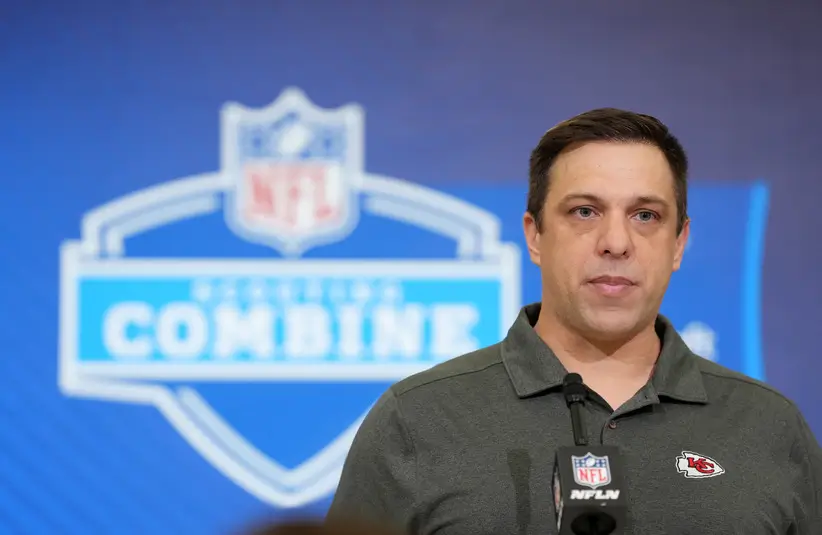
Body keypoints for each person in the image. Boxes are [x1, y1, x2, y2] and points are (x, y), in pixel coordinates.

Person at [326, 108, 822, 534]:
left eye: (645, 215)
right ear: (535, 235)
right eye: (585, 211)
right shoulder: (417, 420)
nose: (616, 241)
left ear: (680, 243)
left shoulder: (770, 428)